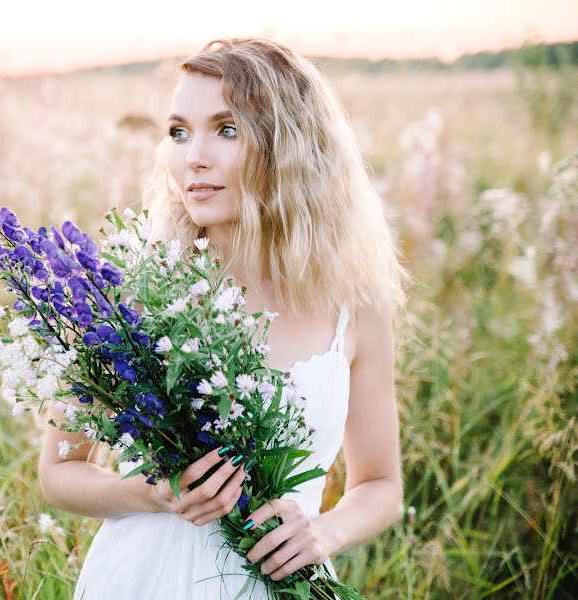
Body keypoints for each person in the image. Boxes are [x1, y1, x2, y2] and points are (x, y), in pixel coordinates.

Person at [38, 37, 408, 599]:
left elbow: (381, 485)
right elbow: (59, 472)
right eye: (179, 132)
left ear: (289, 146)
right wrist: (152, 493)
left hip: (279, 586)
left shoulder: (354, 306)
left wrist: (325, 532)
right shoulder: (128, 294)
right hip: (142, 579)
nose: (194, 156)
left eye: (227, 130)